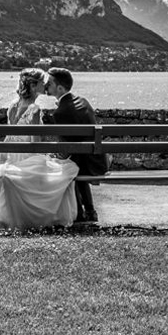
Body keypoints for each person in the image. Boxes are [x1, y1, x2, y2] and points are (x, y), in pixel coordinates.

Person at [0, 68, 78, 230]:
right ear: (34, 86)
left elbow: (10, 135)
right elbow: (35, 143)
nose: (46, 85)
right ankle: (40, 216)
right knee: (68, 169)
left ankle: (7, 215)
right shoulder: (34, 110)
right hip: (27, 156)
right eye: (42, 83)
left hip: (10, 155)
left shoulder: (12, 106)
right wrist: (46, 156)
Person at [43, 66, 107, 222]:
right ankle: (90, 211)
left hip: (83, 163)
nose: (46, 86)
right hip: (96, 159)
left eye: (49, 83)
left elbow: (65, 146)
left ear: (59, 87)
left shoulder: (60, 112)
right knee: (74, 162)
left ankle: (79, 213)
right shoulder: (83, 101)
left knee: (66, 166)